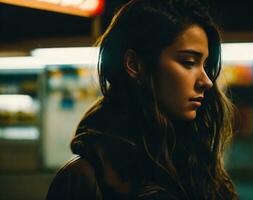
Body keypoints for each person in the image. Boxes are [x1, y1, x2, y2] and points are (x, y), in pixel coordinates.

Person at [46, 0, 238, 199]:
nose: (206, 81)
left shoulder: (197, 166)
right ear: (135, 65)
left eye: (205, 66)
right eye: (188, 62)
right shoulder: (82, 179)